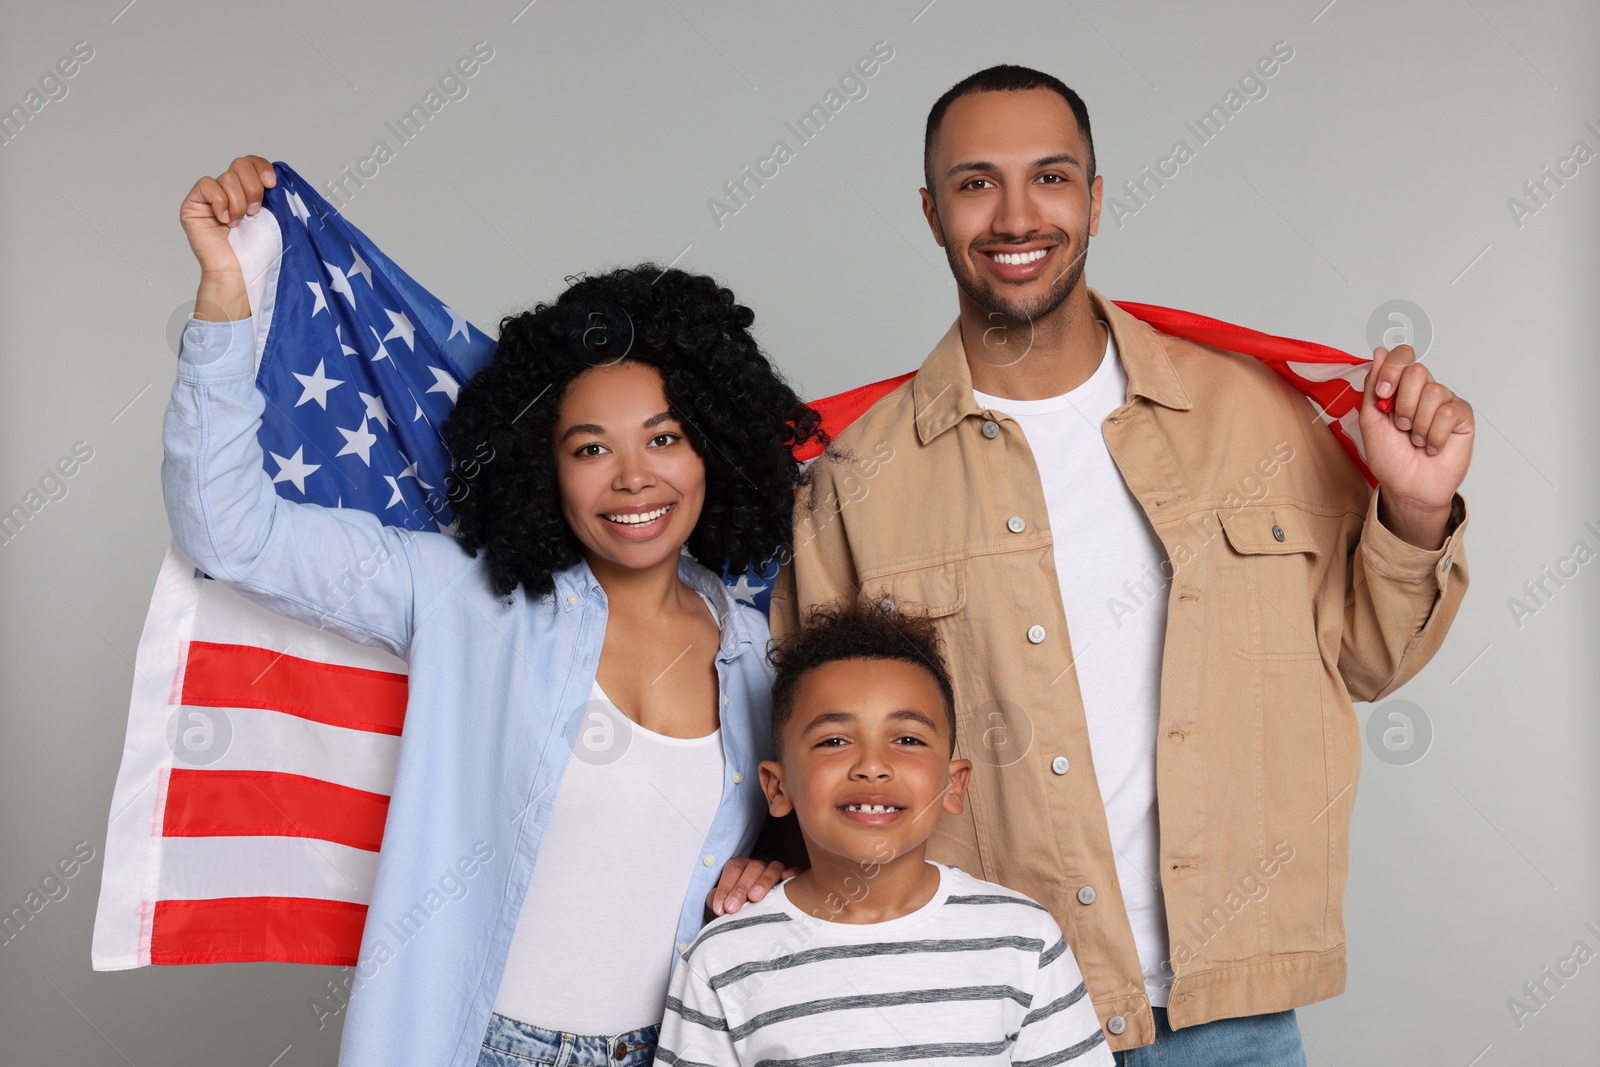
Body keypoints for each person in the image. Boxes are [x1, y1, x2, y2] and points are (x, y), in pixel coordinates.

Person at [713, 66, 1474, 1063]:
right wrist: (766, 862)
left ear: (1096, 199)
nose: (1016, 213)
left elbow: (1370, 660)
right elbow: (804, 723)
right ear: (932, 211)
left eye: (1051, 177)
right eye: (976, 182)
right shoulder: (857, 473)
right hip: (978, 1005)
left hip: (1224, 1015)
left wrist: (1415, 509)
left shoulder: (1254, 414)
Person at [171, 157, 823, 1067]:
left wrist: (781, 866)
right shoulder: (461, 597)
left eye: (665, 438)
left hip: (677, 1050)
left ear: (715, 450)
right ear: (540, 467)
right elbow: (228, 530)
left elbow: (825, 828)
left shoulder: (760, 656)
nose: (634, 476)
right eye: (590, 447)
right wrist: (225, 290)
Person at [655, 602, 1114, 1066]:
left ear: (953, 785)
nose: (872, 766)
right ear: (778, 787)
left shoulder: (1024, 939)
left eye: (907, 739)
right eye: (834, 740)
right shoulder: (723, 959)